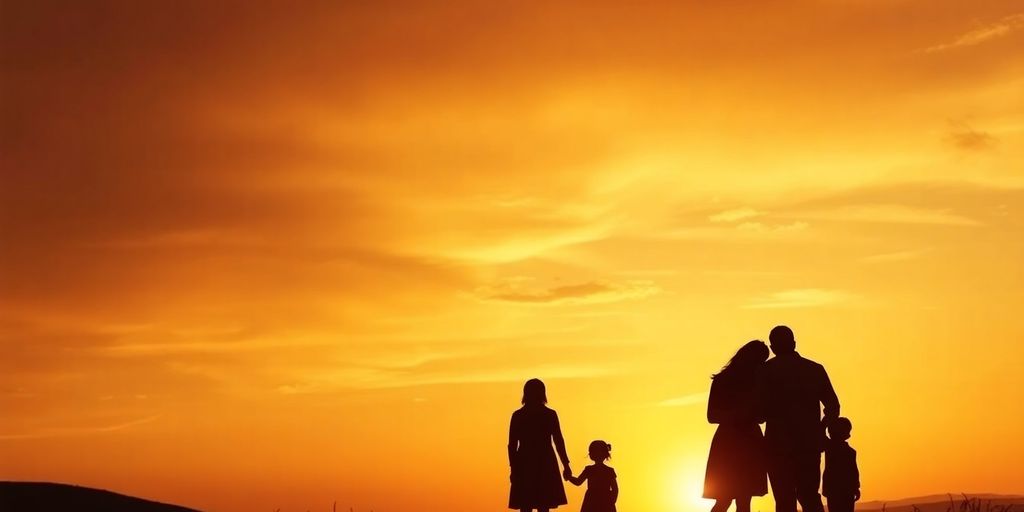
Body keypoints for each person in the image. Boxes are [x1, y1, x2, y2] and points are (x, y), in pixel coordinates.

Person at [758, 325, 840, 512]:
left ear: (773, 348)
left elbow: (759, 413)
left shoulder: (765, 372)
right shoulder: (814, 369)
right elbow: (833, 405)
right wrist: (821, 428)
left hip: (777, 446)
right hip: (808, 444)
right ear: (794, 344)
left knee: (784, 500)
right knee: (809, 497)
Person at [703, 340, 770, 512]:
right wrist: (739, 415)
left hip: (743, 441)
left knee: (740, 499)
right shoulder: (723, 381)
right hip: (732, 443)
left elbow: (762, 415)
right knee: (728, 498)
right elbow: (711, 416)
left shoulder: (757, 383)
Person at [509, 378, 573, 512]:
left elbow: (512, 446)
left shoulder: (519, 415)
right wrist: (566, 465)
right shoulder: (548, 414)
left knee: (529, 504)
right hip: (541, 461)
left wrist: (514, 468)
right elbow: (558, 441)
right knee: (540, 504)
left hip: (531, 462)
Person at [566, 440, 618, 512]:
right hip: (604, 500)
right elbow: (615, 489)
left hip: (591, 501)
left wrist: (569, 477)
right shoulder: (609, 471)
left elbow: (578, 482)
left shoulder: (589, 469)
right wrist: (612, 502)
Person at [823, 417, 860, 512]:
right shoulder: (850, 452)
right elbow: (854, 472)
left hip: (835, 490)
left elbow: (853, 472)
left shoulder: (830, 448)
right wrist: (856, 488)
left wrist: (825, 422)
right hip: (845, 491)